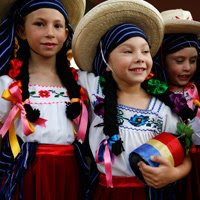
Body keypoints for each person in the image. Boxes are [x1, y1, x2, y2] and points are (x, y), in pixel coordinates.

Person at [72, 0, 194, 199]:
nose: (139, 57)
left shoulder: (165, 106)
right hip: (106, 192)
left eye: (145, 51)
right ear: (105, 60)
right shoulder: (95, 89)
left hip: (150, 193)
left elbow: (184, 152)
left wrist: (174, 174)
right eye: (128, 51)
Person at [0, 0, 87, 199]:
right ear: (21, 31)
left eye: (57, 26)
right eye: (39, 24)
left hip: (69, 173)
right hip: (27, 172)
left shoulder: (79, 82)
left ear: (66, 33)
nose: (50, 33)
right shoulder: (8, 85)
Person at [152, 9, 200, 200]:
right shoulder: (154, 96)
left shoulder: (196, 91)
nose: (187, 67)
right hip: (168, 173)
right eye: (179, 61)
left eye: (193, 60)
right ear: (162, 61)